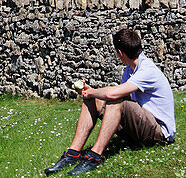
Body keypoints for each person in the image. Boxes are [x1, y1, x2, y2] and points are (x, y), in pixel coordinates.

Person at [45, 27, 175, 174]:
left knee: (114, 99)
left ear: (120, 53)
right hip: (142, 127)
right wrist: (91, 94)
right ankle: (73, 153)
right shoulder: (130, 70)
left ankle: (95, 156)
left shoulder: (147, 70)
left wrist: (91, 91)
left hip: (159, 133)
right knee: (93, 100)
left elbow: (115, 95)